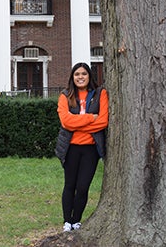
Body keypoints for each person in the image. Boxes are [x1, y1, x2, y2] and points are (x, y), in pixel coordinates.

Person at [55, 62, 109, 232]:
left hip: (90, 150)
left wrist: (76, 121)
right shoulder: (65, 95)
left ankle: (76, 220)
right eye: (77, 74)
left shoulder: (101, 94)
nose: (80, 77)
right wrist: (90, 118)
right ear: (72, 77)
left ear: (89, 76)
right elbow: (65, 121)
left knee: (83, 186)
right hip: (71, 148)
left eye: (84, 74)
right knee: (70, 185)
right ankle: (67, 222)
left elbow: (103, 121)